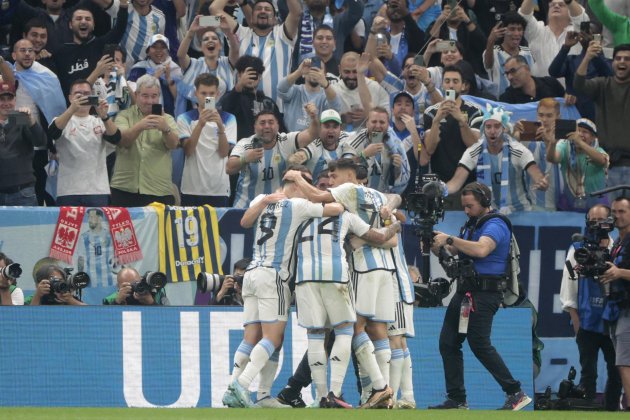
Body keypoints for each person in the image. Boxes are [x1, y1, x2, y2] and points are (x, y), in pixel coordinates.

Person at [283, 158, 404, 409]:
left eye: (334, 177)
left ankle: (363, 390)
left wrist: (295, 179)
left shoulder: (335, 198)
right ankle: (381, 393)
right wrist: (396, 223)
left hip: (355, 269)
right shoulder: (376, 197)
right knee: (376, 331)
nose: (331, 183)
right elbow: (389, 229)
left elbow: (316, 196)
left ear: (349, 175)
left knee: (345, 330)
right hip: (385, 270)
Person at [222, 168, 344, 409]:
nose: (311, 191)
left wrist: (267, 200)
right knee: (273, 336)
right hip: (274, 276)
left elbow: (245, 221)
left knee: (251, 337)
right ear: (296, 185)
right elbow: (335, 209)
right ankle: (242, 385)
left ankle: (251, 392)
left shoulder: (262, 199)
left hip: (251, 274)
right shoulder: (298, 205)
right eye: (307, 184)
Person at [429, 182, 532, 410]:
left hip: (485, 293)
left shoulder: (495, 224)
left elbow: (481, 250)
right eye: (464, 206)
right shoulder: (472, 224)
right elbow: (453, 251)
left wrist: (449, 239)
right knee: (448, 343)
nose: (466, 210)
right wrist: (433, 242)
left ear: (485, 202)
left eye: (470, 206)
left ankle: (515, 392)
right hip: (466, 291)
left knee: (479, 343)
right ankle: (457, 399)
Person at [559, 204, 622, 410]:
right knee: (589, 371)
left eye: (601, 220)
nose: (596, 225)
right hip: (587, 321)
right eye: (592, 221)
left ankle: (612, 409)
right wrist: (576, 320)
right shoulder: (578, 249)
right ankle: (586, 407)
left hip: (614, 321)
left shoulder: (618, 247)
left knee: (617, 371)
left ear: (610, 221)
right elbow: (569, 287)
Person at [446, 105, 548, 213]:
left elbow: (536, 174)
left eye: (497, 126)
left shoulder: (518, 150)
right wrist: (440, 189)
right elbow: (455, 183)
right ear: (483, 130)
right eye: (488, 127)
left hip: (520, 211)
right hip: (489, 213)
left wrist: (542, 182)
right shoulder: (474, 151)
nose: (492, 131)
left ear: (504, 128)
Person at [211, 0, 303, 108]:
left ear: (274, 19)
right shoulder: (241, 34)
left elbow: (296, 12)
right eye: (258, 9)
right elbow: (214, 9)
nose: (263, 11)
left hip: (277, 110)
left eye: (267, 9)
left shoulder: (282, 34)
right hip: (244, 111)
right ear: (251, 17)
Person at [226, 105, 319, 209]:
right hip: (245, 208)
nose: (266, 126)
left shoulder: (286, 141)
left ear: (278, 126)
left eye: (271, 122)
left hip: (277, 209)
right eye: (262, 123)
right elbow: (229, 168)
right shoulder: (245, 144)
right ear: (255, 127)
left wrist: (314, 118)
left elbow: (312, 133)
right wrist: (245, 158)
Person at [48, 79, 121, 207]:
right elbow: (52, 133)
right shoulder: (61, 120)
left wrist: (105, 116)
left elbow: (116, 138)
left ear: (93, 97)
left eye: (87, 94)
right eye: (78, 94)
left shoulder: (99, 122)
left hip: (98, 190)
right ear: (70, 98)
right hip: (68, 191)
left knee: (98, 227)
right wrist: (71, 109)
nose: (83, 97)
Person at [110, 74, 179, 207]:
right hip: (124, 188)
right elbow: (122, 141)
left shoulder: (168, 119)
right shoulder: (124, 116)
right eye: (145, 96)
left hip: (158, 190)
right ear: (136, 95)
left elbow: (174, 144)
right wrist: (140, 126)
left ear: (159, 96)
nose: (150, 101)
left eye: (154, 96)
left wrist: (166, 129)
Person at [574, 43, 630, 198]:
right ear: (612, 63)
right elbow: (578, 85)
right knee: (613, 216)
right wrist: (587, 57)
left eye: (627, 59)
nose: (622, 62)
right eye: (618, 58)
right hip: (609, 166)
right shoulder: (602, 85)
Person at [423, 65, 482, 208]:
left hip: (469, 183)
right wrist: (436, 121)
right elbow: (429, 149)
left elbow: (474, 146)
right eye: (447, 81)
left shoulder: (475, 111)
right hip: (439, 182)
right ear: (442, 84)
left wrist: (461, 120)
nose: (451, 85)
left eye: (455, 81)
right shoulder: (431, 113)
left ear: (463, 86)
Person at [177, 73, 237, 207]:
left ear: (217, 94)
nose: (207, 97)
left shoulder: (229, 118)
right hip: (191, 189)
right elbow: (188, 151)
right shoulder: (184, 118)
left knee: (218, 229)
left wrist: (220, 127)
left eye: (211, 93)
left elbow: (223, 153)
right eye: (203, 93)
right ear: (196, 94)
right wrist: (200, 124)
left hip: (219, 189)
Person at [53, 3, 129, 96]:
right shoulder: (61, 53)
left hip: (101, 105)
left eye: (88, 19)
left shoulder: (101, 45)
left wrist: (124, 6)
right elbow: (71, 91)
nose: (84, 21)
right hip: (75, 107)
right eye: (79, 18)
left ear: (93, 25)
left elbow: (119, 28)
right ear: (70, 25)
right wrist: (97, 71)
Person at [599, 196, 630, 408]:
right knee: (623, 361)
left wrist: (619, 272)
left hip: (628, 309)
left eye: (622, 211)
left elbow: (618, 272)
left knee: (624, 362)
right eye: (615, 212)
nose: (617, 216)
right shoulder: (618, 242)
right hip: (618, 307)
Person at [548, 20, 613, 121]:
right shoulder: (571, 59)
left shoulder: (609, 62)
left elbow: (608, 74)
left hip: (597, 114)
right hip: (573, 112)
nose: (586, 36)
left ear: (599, 38)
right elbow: (553, 72)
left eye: (591, 34)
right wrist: (565, 47)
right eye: (584, 32)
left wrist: (594, 51)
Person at [176, 16, 239, 115]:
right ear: (201, 47)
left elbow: (235, 51)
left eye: (214, 38)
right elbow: (180, 55)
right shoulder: (194, 64)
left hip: (223, 115)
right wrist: (191, 32)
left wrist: (228, 32)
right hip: (196, 115)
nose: (210, 40)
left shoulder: (227, 63)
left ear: (220, 46)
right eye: (206, 39)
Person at [341, 106, 411, 194]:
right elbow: (341, 167)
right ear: (367, 123)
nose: (378, 126)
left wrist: (398, 168)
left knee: (397, 199)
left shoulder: (395, 145)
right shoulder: (355, 140)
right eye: (374, 122)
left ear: (388, 125)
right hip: (357, 194)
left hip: (382, 196)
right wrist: (363, 154)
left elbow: (400, 182)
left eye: (382, 122)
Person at [546, 118, 608, 212]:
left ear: (593, 137)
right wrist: (553, 143)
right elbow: (552, 158)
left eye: (585, 132)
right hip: (569, 203)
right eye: (577, 130)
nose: (579, 134)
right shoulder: (564, 145)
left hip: (596, 206)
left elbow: (602, 160)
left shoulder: (597, 151)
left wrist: (579, 142)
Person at [0, 81, 46, 206]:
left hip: (23, 191)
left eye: (9, 99)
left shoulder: (21, 118)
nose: (6, 103)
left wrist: (31, 120)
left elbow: (40, 141)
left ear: (15, 100)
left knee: (29, 226)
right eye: (1, 99)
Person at [517, 0, 588, 78]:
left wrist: (569, 1)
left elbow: (582, 19)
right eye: (552, 5)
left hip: (571, 89)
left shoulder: (576, 32)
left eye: (561, 5)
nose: (556, 6)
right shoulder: (537, 31)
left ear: (570, 12)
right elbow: (523, 17)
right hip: (542, 88)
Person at [219, 55, 282, 141]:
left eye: (254, 74)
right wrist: (240, 84)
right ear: (239, 75)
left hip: (267, 148)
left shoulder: (269, 102)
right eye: (246, 74)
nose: (250, 78)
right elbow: (226, 108)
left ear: (259, 77)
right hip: (241, 148)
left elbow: (280, 129)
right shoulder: (233, 97)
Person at [277, 58, 340, 132]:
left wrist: (325, 84)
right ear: (304, 74)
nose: (314, 73)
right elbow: (280, 89)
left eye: (318, 70)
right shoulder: (295, 90)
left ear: (325, 74)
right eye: (311, 69)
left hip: (316, 141)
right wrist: (299, 72)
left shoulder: (327, 95)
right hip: (291, 139)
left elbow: (336, 107)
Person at [426, 1, 488, 76]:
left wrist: (467, 19)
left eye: (457, 8)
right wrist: (440, 20)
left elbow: (483, 46)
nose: (453, 11)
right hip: (441, 73)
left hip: (469, 73)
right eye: (449, 8)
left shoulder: (469, 27)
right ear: (443, 10)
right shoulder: (436, 26)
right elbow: (427, 48)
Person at [127, 34, 182, 116]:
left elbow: (181, 101)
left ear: (168, 51)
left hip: (168, 117)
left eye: (163, 47)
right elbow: (132, 97)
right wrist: (154, 78)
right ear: (148, 51)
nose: (158, 50)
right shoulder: (138, 69)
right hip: (142, 117)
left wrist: (169, 79)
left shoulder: (175, 70)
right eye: (154, 47)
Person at [333, 52, 390, 129]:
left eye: (355, 72)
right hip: (341, 138)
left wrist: (369, 116)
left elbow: (387, 119)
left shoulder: (376, 88)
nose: (351, 76)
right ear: (339, 69)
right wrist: (341, 118)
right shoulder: (333, 90)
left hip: (373, 137)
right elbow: (324, 122)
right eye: (347, 72)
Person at [288, 109, 349, 182]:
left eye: (335, 127)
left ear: (340, 128)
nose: (331, 131)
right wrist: (298, 157)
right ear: (319, 128)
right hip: (314, 191)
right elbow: (294, 159)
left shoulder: (345, 138)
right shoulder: (314, 145)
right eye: (327, 126)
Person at [483, 11, 533, 97]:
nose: (516, 33)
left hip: (525, 103)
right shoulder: (494, 51)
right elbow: (488, 64)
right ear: (502, 31)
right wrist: (490, 41)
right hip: (501, 105)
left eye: (519, 29)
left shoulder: (528, 52)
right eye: (512, 29)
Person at [499, 56, 566, 104]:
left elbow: (566, 106)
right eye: (507, 73)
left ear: (527, 68)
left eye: (513, 71)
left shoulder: (551, 84)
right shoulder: (506, 98)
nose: (509, 77)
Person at [76, 208, 115, 288]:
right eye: (89, 217)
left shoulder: (110, 236)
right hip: (90, 281)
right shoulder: (84, 237)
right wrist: (80, 276)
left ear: (100, 218)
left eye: (92, 217)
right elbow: (81, 259)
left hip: (108, 280)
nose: (89, 220)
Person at [102, 267, 169, 305]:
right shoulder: (110, 300)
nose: (134, 287)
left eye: (136, 283)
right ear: (118, 286)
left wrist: (151, 303)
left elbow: (170, 318)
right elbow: (104, 322)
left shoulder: (157, 294)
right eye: (128, 285)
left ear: (141, 279)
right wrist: (117, 302)